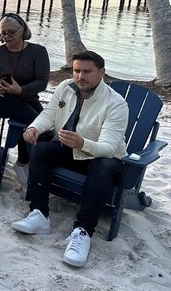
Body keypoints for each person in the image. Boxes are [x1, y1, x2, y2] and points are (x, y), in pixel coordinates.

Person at [11, 51, 128, 268]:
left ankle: (83, 231)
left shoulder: (115, 103)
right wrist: (35, 127)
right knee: (42, 149)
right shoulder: (66, 87)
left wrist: (82, 143)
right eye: (76, 70)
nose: (80, 76)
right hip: (71, 150)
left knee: (104, 165)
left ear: (101, 73)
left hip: (101, 157)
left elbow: (109, 148)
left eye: (87, 71)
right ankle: (39, 214)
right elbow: (49, 114)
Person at [0, 13, 50, 184]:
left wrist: (20, 90)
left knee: (43, 122)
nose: (7, 37)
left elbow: (42, 82)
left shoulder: (38, 52)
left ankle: (24, 162)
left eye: (11, 32)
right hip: (1, 100)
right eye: (3, 33)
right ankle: (25, 163)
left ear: (22, 30)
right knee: (41, 126)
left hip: (27, 98)